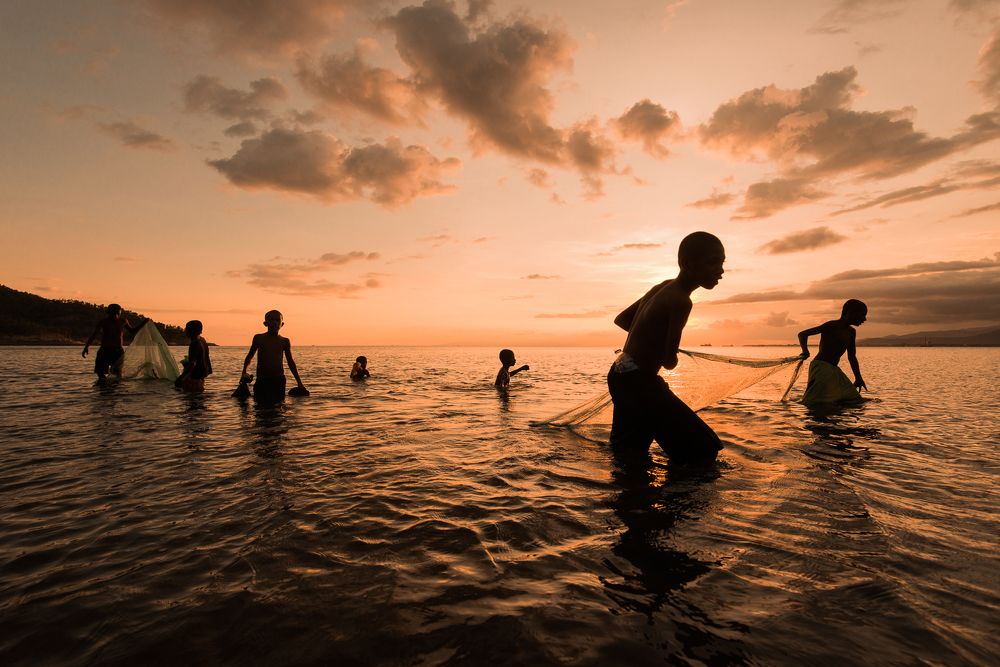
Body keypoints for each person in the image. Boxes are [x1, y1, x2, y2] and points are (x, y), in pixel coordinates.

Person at [608, 231, 725, 466]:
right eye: (713, 262)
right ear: (688, 264)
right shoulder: (681, 301)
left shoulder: (662, 286)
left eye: (722, 263)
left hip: (619, 375)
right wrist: (663, 347)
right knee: (704, 449)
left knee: (630, 451)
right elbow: (669, 362)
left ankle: (628, 488)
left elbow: (622, 320)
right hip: (639, 383)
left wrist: (648, 337)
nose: (720, 271)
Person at [797, 299, 868, 406]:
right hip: (821, 367)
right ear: (850, 313)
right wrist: (805, 351)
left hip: (834, 369)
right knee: (814, 401)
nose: (864, 319)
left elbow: (852, 357)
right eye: (862, 315)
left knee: (853, 399)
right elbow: (802, 334)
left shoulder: (851, 332)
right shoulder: (832, 325)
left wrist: (858, 378)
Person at [240, 310, 308, 402]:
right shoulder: (259, 338)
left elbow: (290, 362)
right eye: (271, 320)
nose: (274, 322)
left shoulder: (284, 341)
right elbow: (249, 357)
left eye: (277, 320)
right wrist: (244, 372)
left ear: (282, 324)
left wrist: (299, 382)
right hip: (262, 380)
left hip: (278, 380)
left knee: (278, 407)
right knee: (260, 407)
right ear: (265, 323)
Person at [82, 304, 146, 380]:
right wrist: (86, 347)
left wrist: (143, 323)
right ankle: (104, 386)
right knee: (101, 373)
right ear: (109, 312)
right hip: (104, 350)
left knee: (117, 374)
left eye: (117, 313)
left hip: (118, 351)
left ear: (119, 313)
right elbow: (94, 335)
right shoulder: (103, 322)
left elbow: (132, 331)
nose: (114, 315)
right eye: (112, 313)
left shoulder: (123, 321)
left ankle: (114, 386)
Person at [174, 320, 212, 392]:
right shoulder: (202, 340)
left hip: (193, 379)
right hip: (200, 378)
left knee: (190, 397)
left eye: (187, 329)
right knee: (198, 397)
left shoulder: (194, 343)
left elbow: (192, 364)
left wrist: (180, 378)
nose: (185, 330)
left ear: (191, 331)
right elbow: (206, 358)